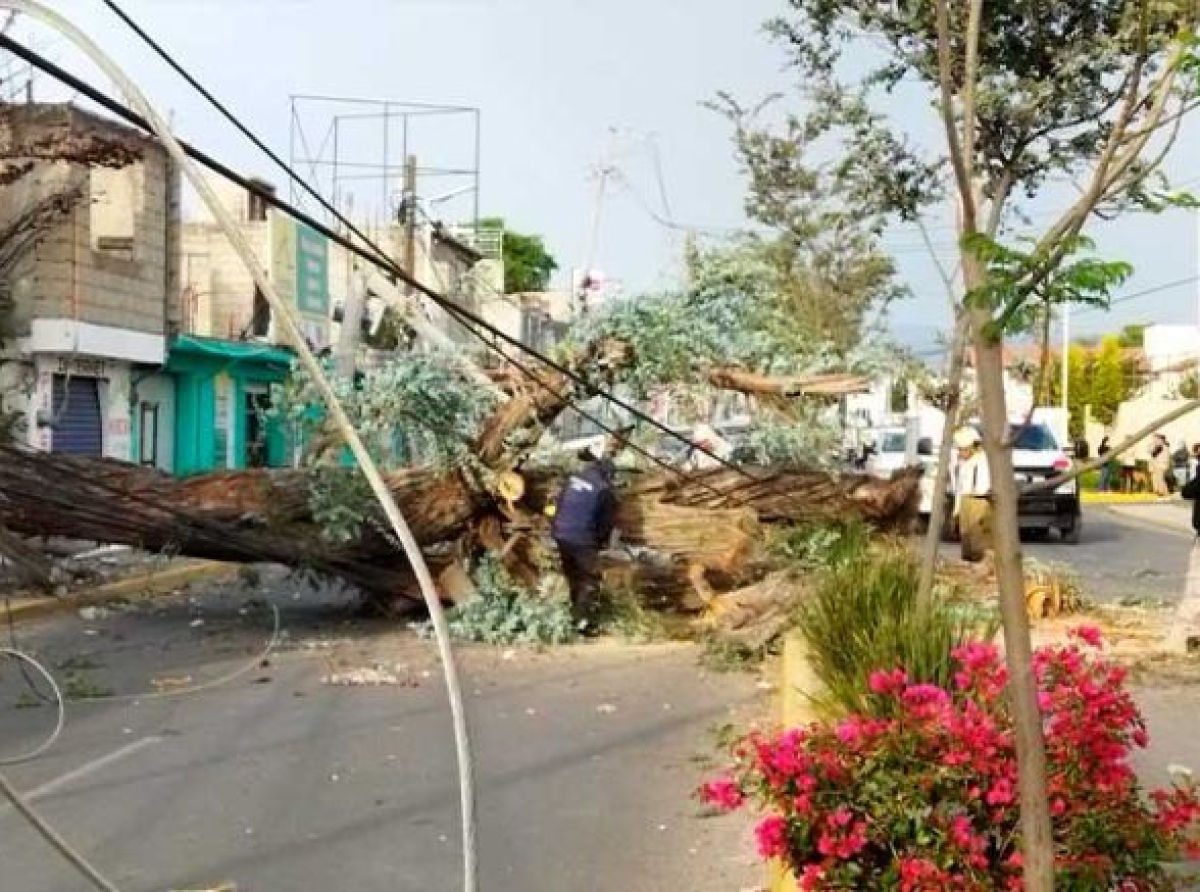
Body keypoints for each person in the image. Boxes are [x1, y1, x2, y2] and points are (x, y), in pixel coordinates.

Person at [551, 449, 617, 631]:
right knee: (590, 578)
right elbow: (605, 523)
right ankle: (582, 622)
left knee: (572, 575)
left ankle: (570, 615)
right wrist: (601, 542)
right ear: (608, 474)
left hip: (560, 534)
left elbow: (559, 504)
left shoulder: (573, 478)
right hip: (582, 538)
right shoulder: (604, 490)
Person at [952, 426, 992, 563]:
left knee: (977, 536)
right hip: (965, 499)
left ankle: (979, 561)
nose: (960, 452)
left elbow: (985, 484)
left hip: (979, 499)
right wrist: (956, 509)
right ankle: (968, 559)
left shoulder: (983, 460)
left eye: (962, 449)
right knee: (966, 535)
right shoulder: (961, 463)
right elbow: (959, 487)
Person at [1150, 433, 1172, 499]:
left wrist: (1162, 464)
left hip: (1160, 465)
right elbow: (1152, 455)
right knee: (1157, 479)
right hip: (1157, 465)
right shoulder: (1158, 447)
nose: (1154, 440)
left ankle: (1162, 494)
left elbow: (1162, 457)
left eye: (1156, 439)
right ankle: (1164, 493)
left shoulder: (1163, 447)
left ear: (1161, 440)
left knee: (1159, 480)